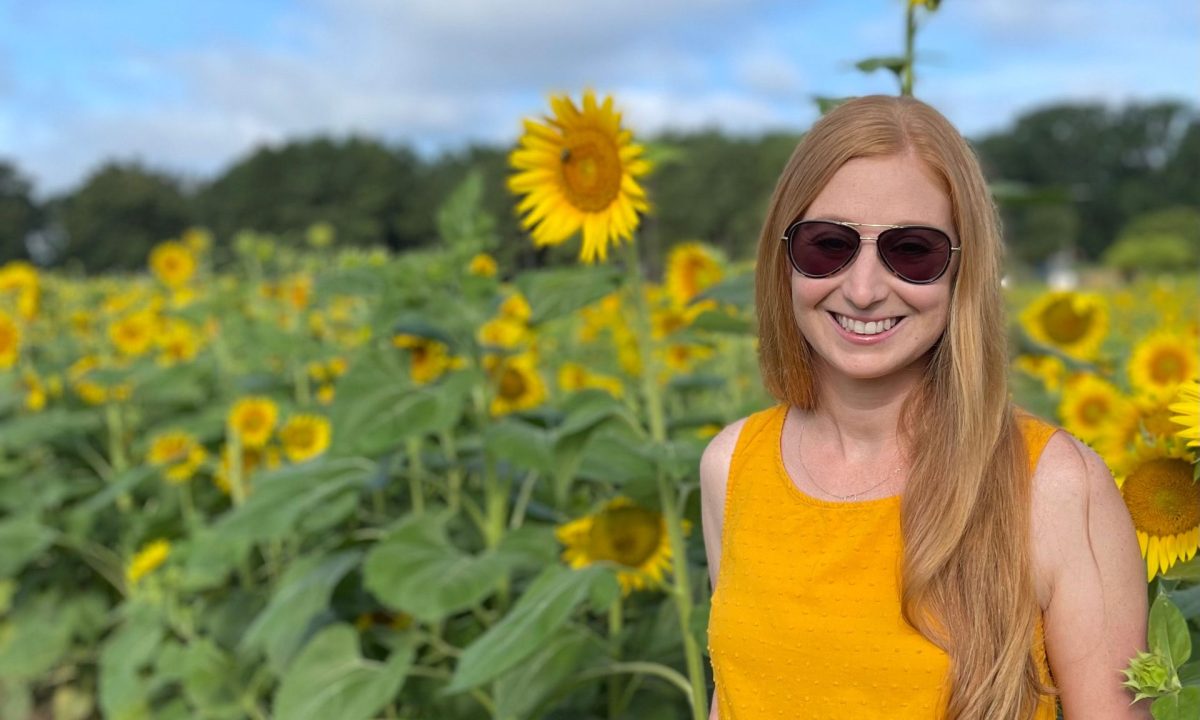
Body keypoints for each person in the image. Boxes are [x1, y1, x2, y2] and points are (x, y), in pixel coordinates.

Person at [700, 95, 1150, 719]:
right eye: (827, 245)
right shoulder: (732, 467)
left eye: (912, 252)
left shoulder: (1056, 486)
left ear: (964, 271)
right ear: (783, 259)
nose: (861, 290)